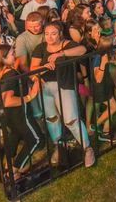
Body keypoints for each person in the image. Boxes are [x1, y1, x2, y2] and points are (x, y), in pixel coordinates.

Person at [30, 21, 95, 167]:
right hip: (45, 87)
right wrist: (43, 68)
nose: (49, 37)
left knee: (71, 120)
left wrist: (61, 53)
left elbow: (83, 49)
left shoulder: (68, 45)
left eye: (53, 34)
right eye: (47, 34)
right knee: (51, 119)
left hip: (65, 85)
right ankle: (59, 147)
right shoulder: (40, 48)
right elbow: (32, 69)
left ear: (60, 34)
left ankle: (87, 148)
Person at [0, 45, 43, 181]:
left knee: (15, 134)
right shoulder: (10, 75)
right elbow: (8, 100)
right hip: (18, 113)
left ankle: (7, 165)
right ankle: (14, 170)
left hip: (8, 115)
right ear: (3, 59)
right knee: (36, 139)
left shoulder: (0, 72)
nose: (15, 55)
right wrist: (30, 96)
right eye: (12, 54)